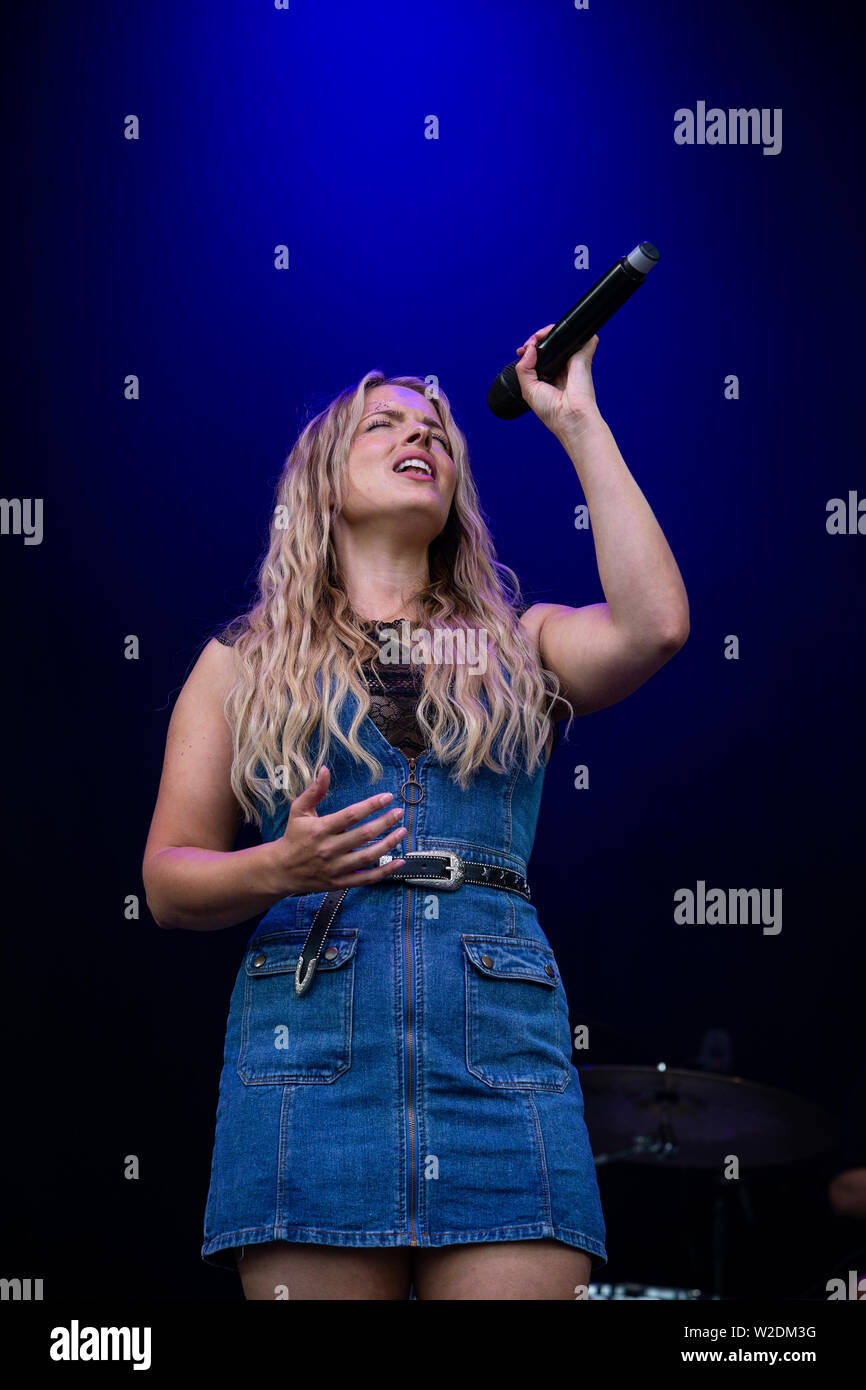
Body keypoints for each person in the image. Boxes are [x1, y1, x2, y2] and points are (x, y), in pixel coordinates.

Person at [142, 328, 689, 1300]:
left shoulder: (520, 644)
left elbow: (655, 627)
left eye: (435, 428)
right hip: (308, 1056)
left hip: (497, 1052)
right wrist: (277, 867)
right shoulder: (236, 665)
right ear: (318, 485)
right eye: (385, 423)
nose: (421, 435)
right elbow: (168, 881)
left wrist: (575, 420)